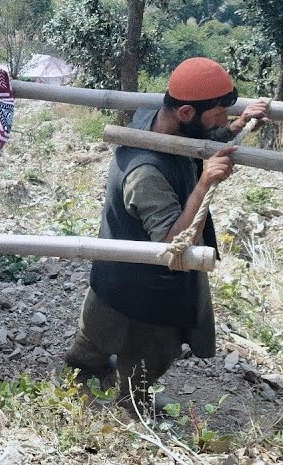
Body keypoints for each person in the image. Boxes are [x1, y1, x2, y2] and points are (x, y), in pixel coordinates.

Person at [61, 57, 269, 406]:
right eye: (216, 116)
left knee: (95, 337)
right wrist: (203, 185)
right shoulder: (146, 173)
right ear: (186, 112)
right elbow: (174, 243)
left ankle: (83, 376)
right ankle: (129, 408)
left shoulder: (156, 116)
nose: (221, 122)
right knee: (148, 357)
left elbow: (203, 134)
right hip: (151, 286)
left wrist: (235, 127)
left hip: (113, 271)